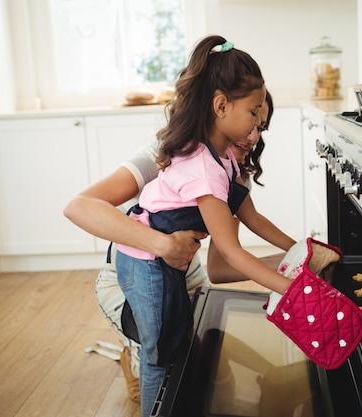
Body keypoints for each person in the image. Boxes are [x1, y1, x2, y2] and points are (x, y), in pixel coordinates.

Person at [113, 35, 295, 416]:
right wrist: (291, 289)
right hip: (145, 262)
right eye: (254, 114)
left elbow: (252, 217)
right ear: (221, 105)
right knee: (159, 351)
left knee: (175, 340)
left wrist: (300, 250)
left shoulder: (223, 158)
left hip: (164, 260)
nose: (256, 130)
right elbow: (230, 252)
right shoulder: (205, 171)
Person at [67, 90, 277, 406]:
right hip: (128, 283)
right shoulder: (167, 153)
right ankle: (134, 354)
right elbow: (78, 207)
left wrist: (298, 261)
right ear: (221, 111)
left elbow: (220, 268)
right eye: (251, 119)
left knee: (214, 376)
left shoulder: (235, 177)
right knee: (163, 362)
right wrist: (164, 244)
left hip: (186, 279)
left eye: (261, 126)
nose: (253, 136)